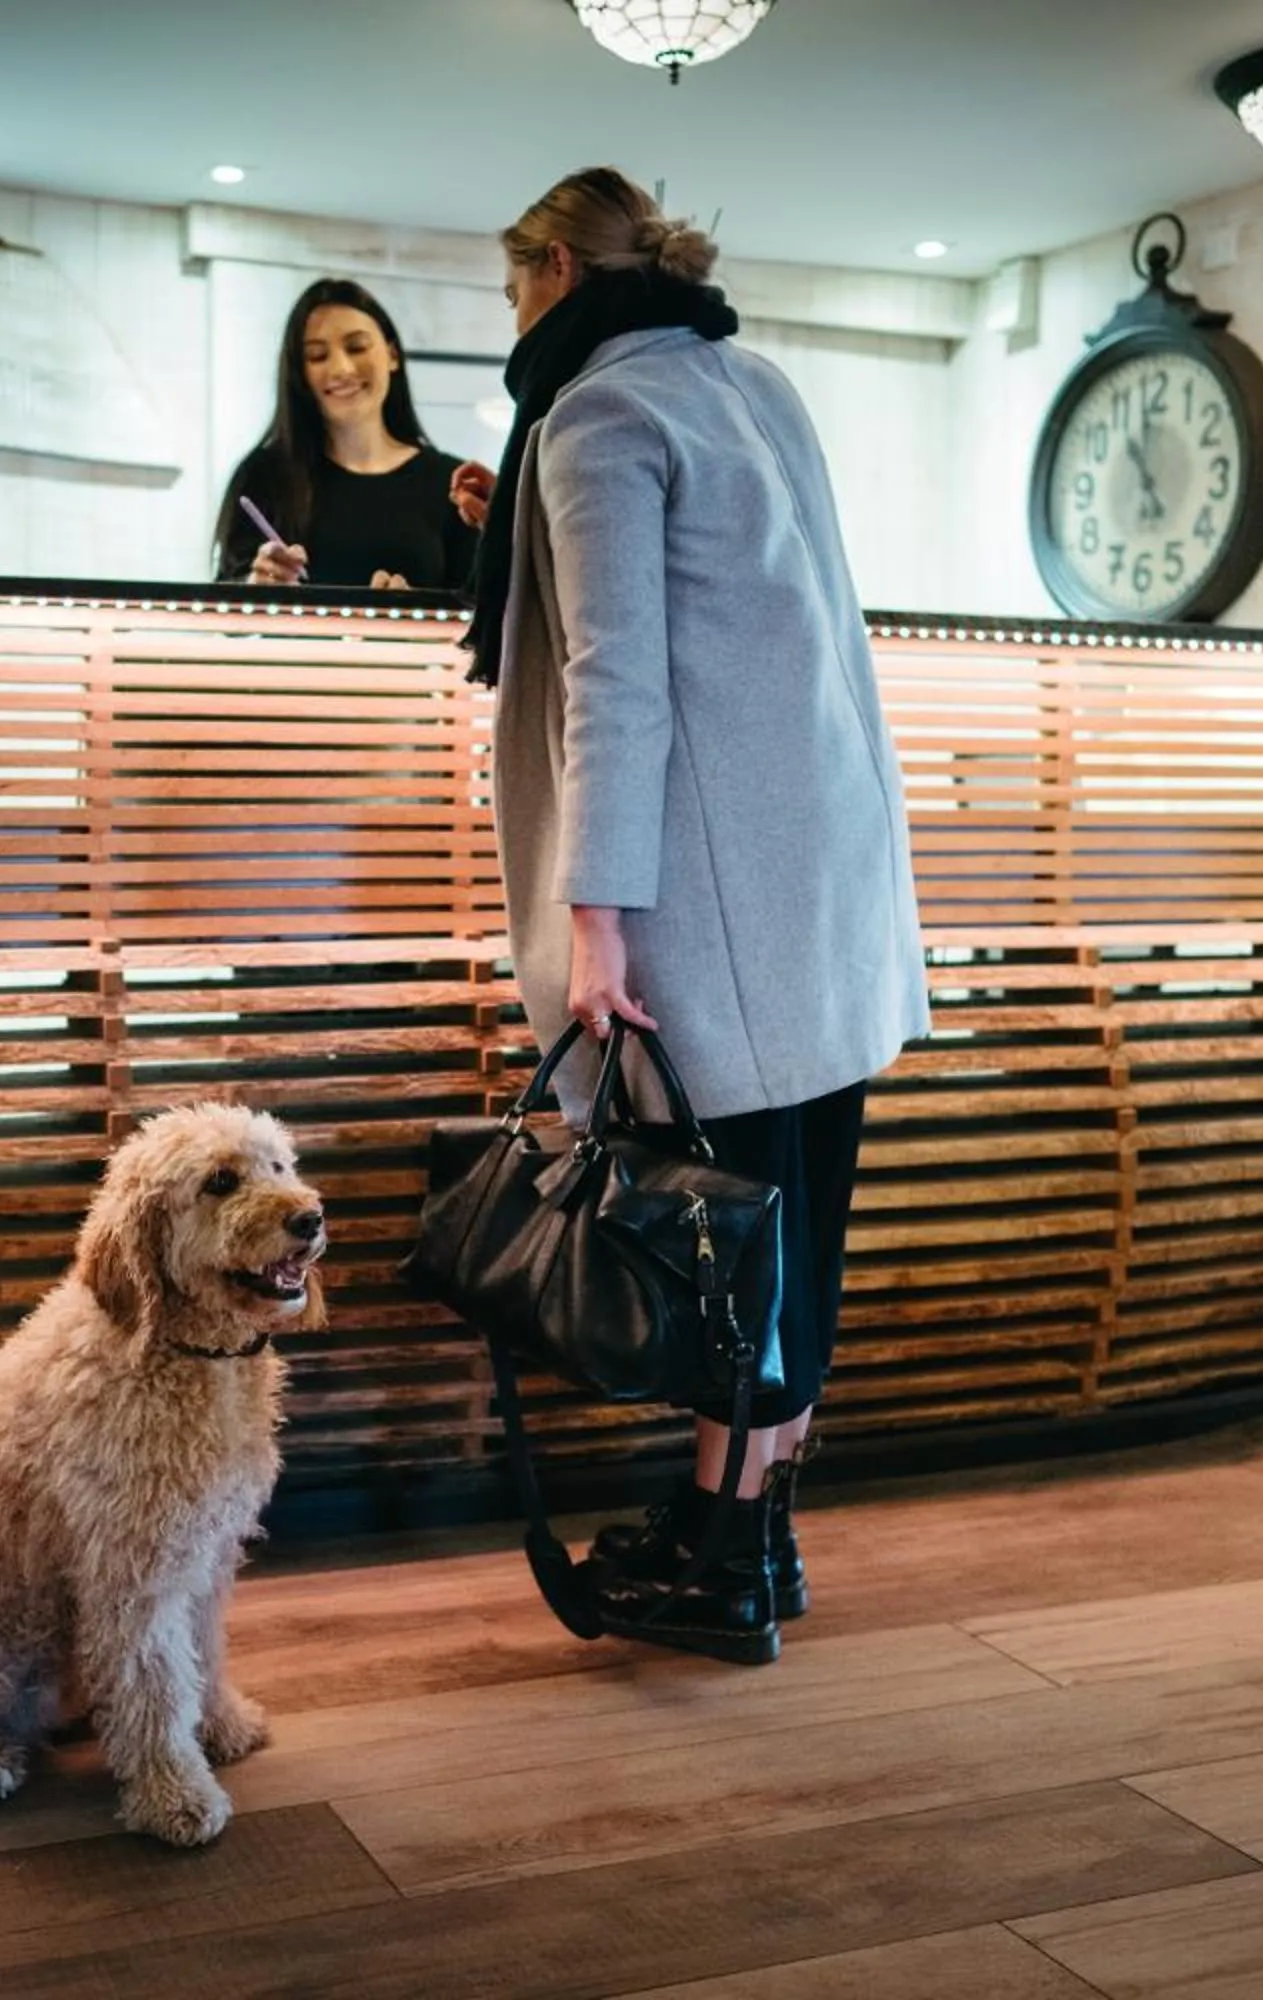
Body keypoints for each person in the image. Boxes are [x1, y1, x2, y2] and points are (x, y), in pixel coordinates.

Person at [465, 167, 930, 1664]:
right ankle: (758, 1528)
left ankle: (725, 1563)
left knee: (726, 1254)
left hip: (705, 914)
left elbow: (617, 679)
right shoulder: (753, 381)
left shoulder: (594, 414)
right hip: (820, 896)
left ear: (550, 269)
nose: (510, 318)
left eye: (511, 288)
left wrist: (593, 918)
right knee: (799, 1232)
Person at [214, 278, 494, 591]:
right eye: (318, 356)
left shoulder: (451, 485)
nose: (342, 369)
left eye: (357, 347)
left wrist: (415, 618)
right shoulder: (265, 475)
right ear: (299, 375)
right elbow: (226, 617)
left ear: (391, 355)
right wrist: (258, 586)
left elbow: (479, 618)